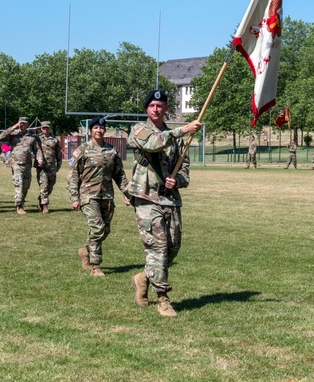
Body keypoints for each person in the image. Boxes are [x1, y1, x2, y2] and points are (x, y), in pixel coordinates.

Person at [127, 90, 203, 318]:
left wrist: (176, 180)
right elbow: (152, 144)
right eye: (152, 105)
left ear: (166, 108)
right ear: (146, 109)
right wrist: (182, 130)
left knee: (172, 249)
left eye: (160, 105)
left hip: (170, 199)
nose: (156, 109)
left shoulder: (178, 140)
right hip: (146, 198)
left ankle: (143, 278)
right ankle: (163, 299)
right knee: (158, 248)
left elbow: (185, 170)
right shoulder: (139, 130)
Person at [69, 117, 129, 277]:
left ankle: (86, 251)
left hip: (107, 195)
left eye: (101, 128)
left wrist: (127, 193)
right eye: (95, 128)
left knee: (105, 230)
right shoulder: (82, 150)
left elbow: (119, 174)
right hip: (88, 196)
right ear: (91, 131)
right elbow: (74, 175)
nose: (99, 130)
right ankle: (96, 266)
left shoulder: (112, 150)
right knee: (97, 228)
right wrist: (74, 197)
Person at [0, 117, 46, 214]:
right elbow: (1, 137)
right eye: (20, 123)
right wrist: (14, 127)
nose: (22, 125)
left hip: (28, 164)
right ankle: (19, 206)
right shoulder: (13, 134)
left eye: (24, 123)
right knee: (19, 184)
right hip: (16, 163)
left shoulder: (31, 137)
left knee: (26, 185)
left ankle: (21, 201)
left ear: (27, 125)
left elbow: (37, 150)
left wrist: (40, 159)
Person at [36, 121, 62, 213]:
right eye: (43, 128)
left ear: (49, 128)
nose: (45, 130)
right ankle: (45, 206)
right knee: (44, 186)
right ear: (41, 128)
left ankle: (41, 199)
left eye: (47, 128)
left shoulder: (54, 139)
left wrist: (59, 164)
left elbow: (58, 153)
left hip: (51, 166)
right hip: (41, 166)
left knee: (51, 185)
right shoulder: (37, 138)